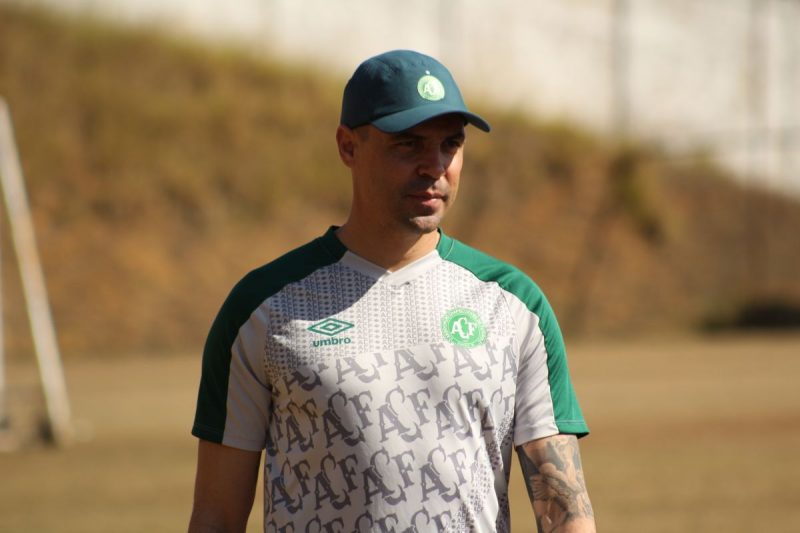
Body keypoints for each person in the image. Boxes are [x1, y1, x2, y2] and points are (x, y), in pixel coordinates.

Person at [188, 49, 595, 533]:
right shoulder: (262, 308)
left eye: (451, 144)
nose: (434, 166)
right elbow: (216, 516)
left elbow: (565, 511)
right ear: (347, 147)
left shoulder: (513, 303)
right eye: (408, 145)